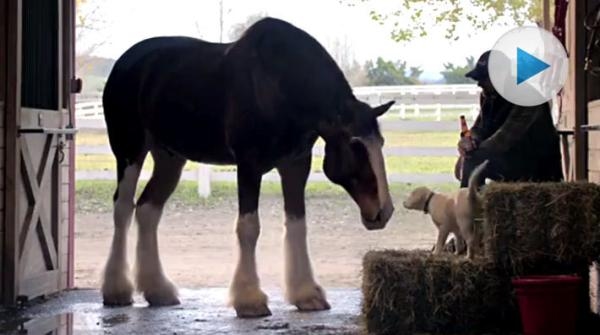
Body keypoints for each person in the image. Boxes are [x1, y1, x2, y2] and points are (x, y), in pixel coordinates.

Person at [457, 50, 563, 187]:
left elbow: (505, 138)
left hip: (537, 168)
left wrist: (473, 153)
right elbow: (480, 128)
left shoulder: (527, 96)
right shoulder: (489, 95)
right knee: (469, 161)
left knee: (473, 160)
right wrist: (469, 141)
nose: (479, 84)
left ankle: (466, 206)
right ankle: (471, 204)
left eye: (484, 78)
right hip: (511, 159)